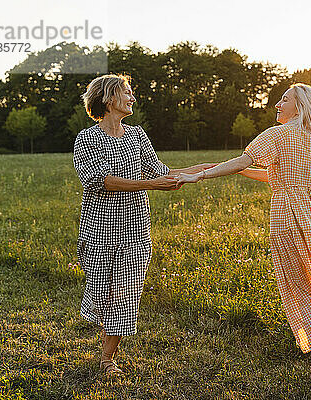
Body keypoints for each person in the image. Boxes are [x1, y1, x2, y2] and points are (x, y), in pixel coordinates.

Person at [177, 83, 311, 380]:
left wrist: (202, 175)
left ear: (300, 106)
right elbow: (281, 177)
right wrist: (241, 170)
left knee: (298, 285)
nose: (277, 104)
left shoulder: (277, 135)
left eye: (284, 99)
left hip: (286, 215)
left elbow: (243, 161)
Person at [73, 74, 214, 375]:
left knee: (125, 296)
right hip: (99, 230)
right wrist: (152, 184)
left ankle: (107, 359)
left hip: (136, 231)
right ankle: (104, 333)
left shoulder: (138, 135)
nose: (133, 98)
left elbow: (160, 171)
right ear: (109, 99)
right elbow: (101, 180)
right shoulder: (87, 139)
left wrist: (201, 170)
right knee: (102, 296)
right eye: (127, 92)